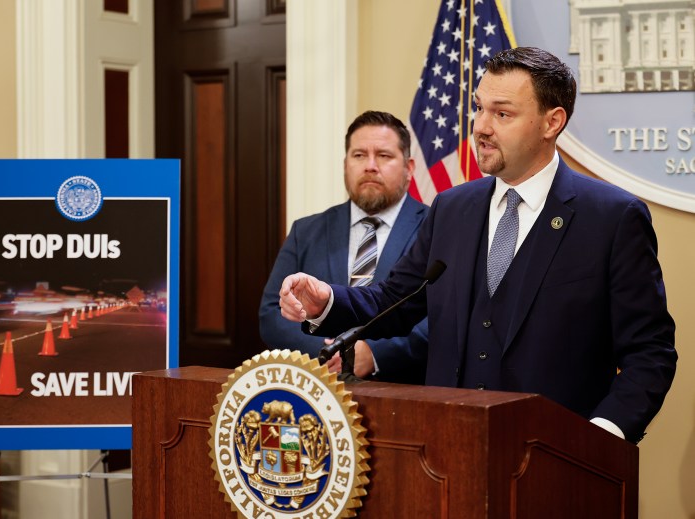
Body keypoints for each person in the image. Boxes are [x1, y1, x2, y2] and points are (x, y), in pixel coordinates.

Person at [278, 47, 677, 444]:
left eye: (502, 114)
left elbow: (649, 352)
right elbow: (395, 301)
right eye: (479, 108)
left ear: (551, 122)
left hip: (556, 461)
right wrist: (326, 301)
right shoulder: (452, 207)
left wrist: (599, 438)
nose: (481, 126)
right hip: (446, 452)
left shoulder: (612, 217)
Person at [260, 111, 429, 383]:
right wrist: (329, 353)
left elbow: (443, 315)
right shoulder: (306, 230)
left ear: (409, 168)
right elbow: (271, 313)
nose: (370, 166)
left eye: (384, 156)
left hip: (403, 392)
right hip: (317, 392)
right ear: (345, 164)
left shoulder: (436, 227)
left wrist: (374, 355)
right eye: (359, 155)